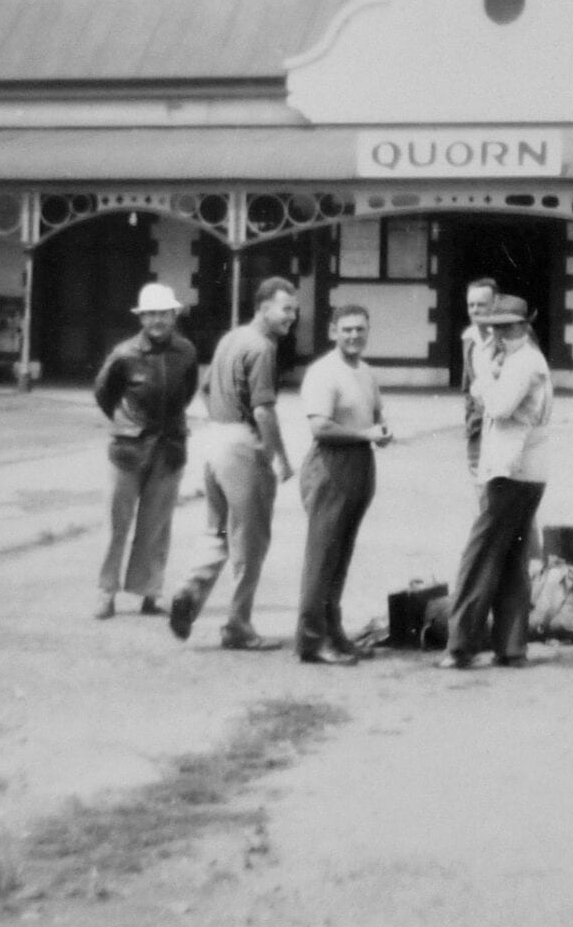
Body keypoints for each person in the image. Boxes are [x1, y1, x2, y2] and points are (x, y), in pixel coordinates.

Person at [167, 276, 298, 651]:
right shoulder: (262, 348)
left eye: (294, 308)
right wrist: (280, 458)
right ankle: (238, 625)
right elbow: (264, 411)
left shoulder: (231, 338)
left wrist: (222, 426)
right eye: (285, 309)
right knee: (251, 542)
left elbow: (206, 390)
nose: (292, 316)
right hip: (242, 445)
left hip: (215, 439)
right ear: (263, 307)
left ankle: (189, 592)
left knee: (218, 532)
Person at [438, 294, 552, 670]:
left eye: (509, 326)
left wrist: (482, 367)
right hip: (522, 471)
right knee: (512, 558)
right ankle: (511, 646)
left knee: (479, 558)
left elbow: (498, 406)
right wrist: (487, 375)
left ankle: (460, 646)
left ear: (525, 324)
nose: (501, 333)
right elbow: (485, 397)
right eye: (496, 326)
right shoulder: (518, 360)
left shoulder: (524, 362)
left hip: (511, 471)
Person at [91, 282, 200, 620]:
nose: (158, 320)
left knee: (156, 525)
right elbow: (103, 393)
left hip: (169, 448)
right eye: (151, 313)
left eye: (164, 313)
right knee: (117, 523)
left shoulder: (186, 352)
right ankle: (106, 592)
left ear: (174, 315)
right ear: (141, 318)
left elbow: (187, 391)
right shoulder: (124, 354)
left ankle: (149, 592)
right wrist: (127, 423)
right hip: (129, 450)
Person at [295, 304, 392, 665]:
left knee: (341, 556)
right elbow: (320, 427)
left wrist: (381, 430)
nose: (354, 336)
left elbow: (376, 414)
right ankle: (311, 641)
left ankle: (334, 634)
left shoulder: (365, 372)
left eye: (360, 330)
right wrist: (364, 433)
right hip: (331, 465)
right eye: (347, 329)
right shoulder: (323, 372)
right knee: (322, 558)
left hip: (360, 463)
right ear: (332, 331)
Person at [459, 276, 499, 477]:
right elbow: (467, 387)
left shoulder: (506, 338)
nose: (474, 310)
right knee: (478, 483)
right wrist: (471, 423)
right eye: (471, 305)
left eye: (481, 305)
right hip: (477, 428)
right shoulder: (468, 339)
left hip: (503, 426)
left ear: (494, 305)